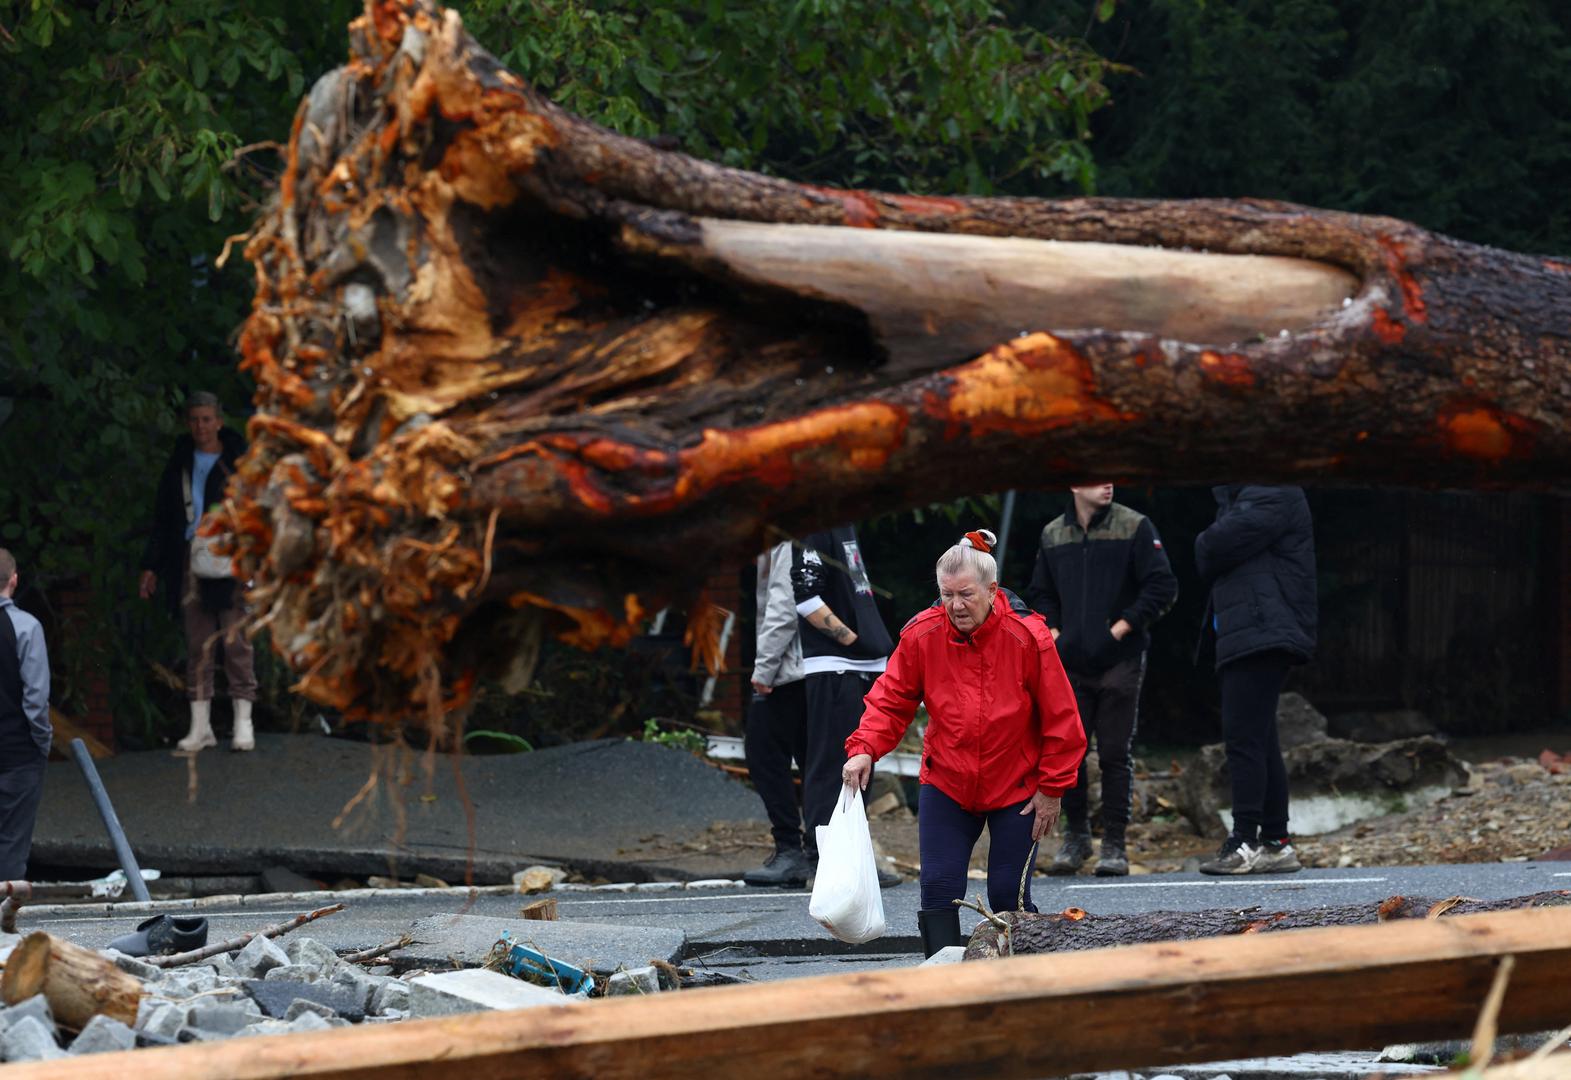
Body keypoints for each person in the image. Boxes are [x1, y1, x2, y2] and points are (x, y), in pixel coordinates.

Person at [842, 530, 1086, 957]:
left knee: (1007, 896)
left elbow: (1062, 718)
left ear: (992, 591)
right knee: (938, 890)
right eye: (946, 595)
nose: (955, 606)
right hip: (947, 782)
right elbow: (891, 697)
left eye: (966, 595)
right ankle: (943, 991)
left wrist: (1052, 789)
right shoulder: (922, 634)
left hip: (1017, 786)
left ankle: (1024, 984)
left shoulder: (1028, 636)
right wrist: (864, 746)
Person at [1027, 483, 1178, 877]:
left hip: (1120, 660)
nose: (1107, 484)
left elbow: (1163, 586)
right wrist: (1055, 632)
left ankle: (1114, 843)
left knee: (1114, 753)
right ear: (1075, 484)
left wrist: (1122, 627)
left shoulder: (1135, 525)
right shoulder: (1052, 533)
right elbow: (1040, 593)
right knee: (1068, 754)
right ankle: (1075, 839)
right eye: (1095, 478)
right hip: (1070, 663)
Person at [1194, 485, 1317, 875]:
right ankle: (1276, 842)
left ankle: (1245, 839)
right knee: (1260, 738)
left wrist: (1208, 538)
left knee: (1243, 737)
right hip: (1251, 629)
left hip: (1263, 629)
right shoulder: (1244, 496)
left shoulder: (1272, 488)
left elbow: (1211, 546)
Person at [138, 392, 258, 752]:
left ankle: (243, 723)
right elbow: (164, 518)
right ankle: (200, 726)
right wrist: (151, 565)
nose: (201, 426)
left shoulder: (239, 461)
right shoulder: (179, 463)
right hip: (190, 556)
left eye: (207, 419)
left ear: (219, 421)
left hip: (230, 556)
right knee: (197, 641)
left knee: (236, 638)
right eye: (195, 420)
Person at [791, 525, 895, 869]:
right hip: (837, 667)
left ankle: (845, 858)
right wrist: (854, 640)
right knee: (834, 765)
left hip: (860, 665)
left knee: (859, 766)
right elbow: (806, 597)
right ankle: (826, 859)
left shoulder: (844, 521)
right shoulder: (818, 523)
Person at [742, 541, 812, 887]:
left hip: (790, 669)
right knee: (815, 760)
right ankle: (819, 852)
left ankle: (791, 849)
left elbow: (784, 608)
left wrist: (763, 670)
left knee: (763, 754)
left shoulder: (788, 541)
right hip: (815, 668)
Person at [0, 548, 51, 880]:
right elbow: (35, 698)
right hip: (17, 752)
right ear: (14, 580)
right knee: (11, 844)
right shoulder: (26, 627)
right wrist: (42, 742)